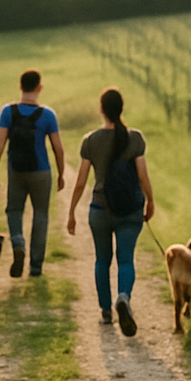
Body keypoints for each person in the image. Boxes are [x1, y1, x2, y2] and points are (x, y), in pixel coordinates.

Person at [66, 87, 155, 337]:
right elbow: (142, 174)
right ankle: (123, 297)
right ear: (122, 109)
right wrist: (150, 200)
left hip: (99, 209)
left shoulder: (90, 140)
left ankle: (106, 311)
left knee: (102, 260)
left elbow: (82, 181)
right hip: (129, 210)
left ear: (101, 109)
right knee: (126, 259)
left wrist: (72, 210)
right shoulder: (135, 138)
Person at [0, 69, 65, 278]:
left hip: (16, 170)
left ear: (20, 86)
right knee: (41, 215)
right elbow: (58, 148)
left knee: (14, 211)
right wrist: (61, 174)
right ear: (39, 87)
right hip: (41, 172)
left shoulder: (8, 112)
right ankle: (36, 266)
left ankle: (18, 242)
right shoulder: (47, 115)